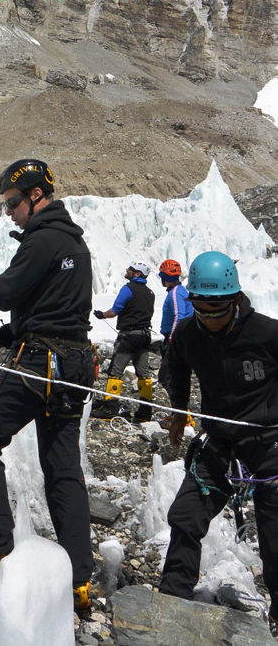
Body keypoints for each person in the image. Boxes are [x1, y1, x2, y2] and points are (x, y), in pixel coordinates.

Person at [0, 159, 96, 612]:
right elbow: (58, 314)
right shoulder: (73, 242)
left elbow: (3, 293)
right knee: (63, 469)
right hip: (75, 364)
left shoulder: (42, 240)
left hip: (40, 368)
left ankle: (2, 550)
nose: (8, 212)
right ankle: (77, 580)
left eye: (11, 203)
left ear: (35, 196)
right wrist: (3, 336)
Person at [159, 251, 278, 640]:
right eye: (201, 310)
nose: (209, 319)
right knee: (185, 518)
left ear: (235, 299)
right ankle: (171, 607)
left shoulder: (266, 334)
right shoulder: (189, 334)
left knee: (276, 542)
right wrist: (179, 411)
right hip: (219, 446)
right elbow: (174, 367)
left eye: (218, 310)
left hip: (268, 446)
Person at [92, 260, 155, 422]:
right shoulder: (150, 293)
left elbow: (115, 311)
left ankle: (110, 408)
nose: (127, 270)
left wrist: (102, 315)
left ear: (137, 274)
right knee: (143, 373)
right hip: (145, 335)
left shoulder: (127, 289)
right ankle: (145, 411)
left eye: (131, 269)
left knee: (116, 370)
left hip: (128, 336)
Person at [157, 259, 193, 403]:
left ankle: (181, 411)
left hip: (175, 339)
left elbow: (179, 315)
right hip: (183, 338)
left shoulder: (175, 293)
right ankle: (180, 412)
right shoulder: (182, 291)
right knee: (178, 376)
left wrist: (172, 339)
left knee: (166, 376)